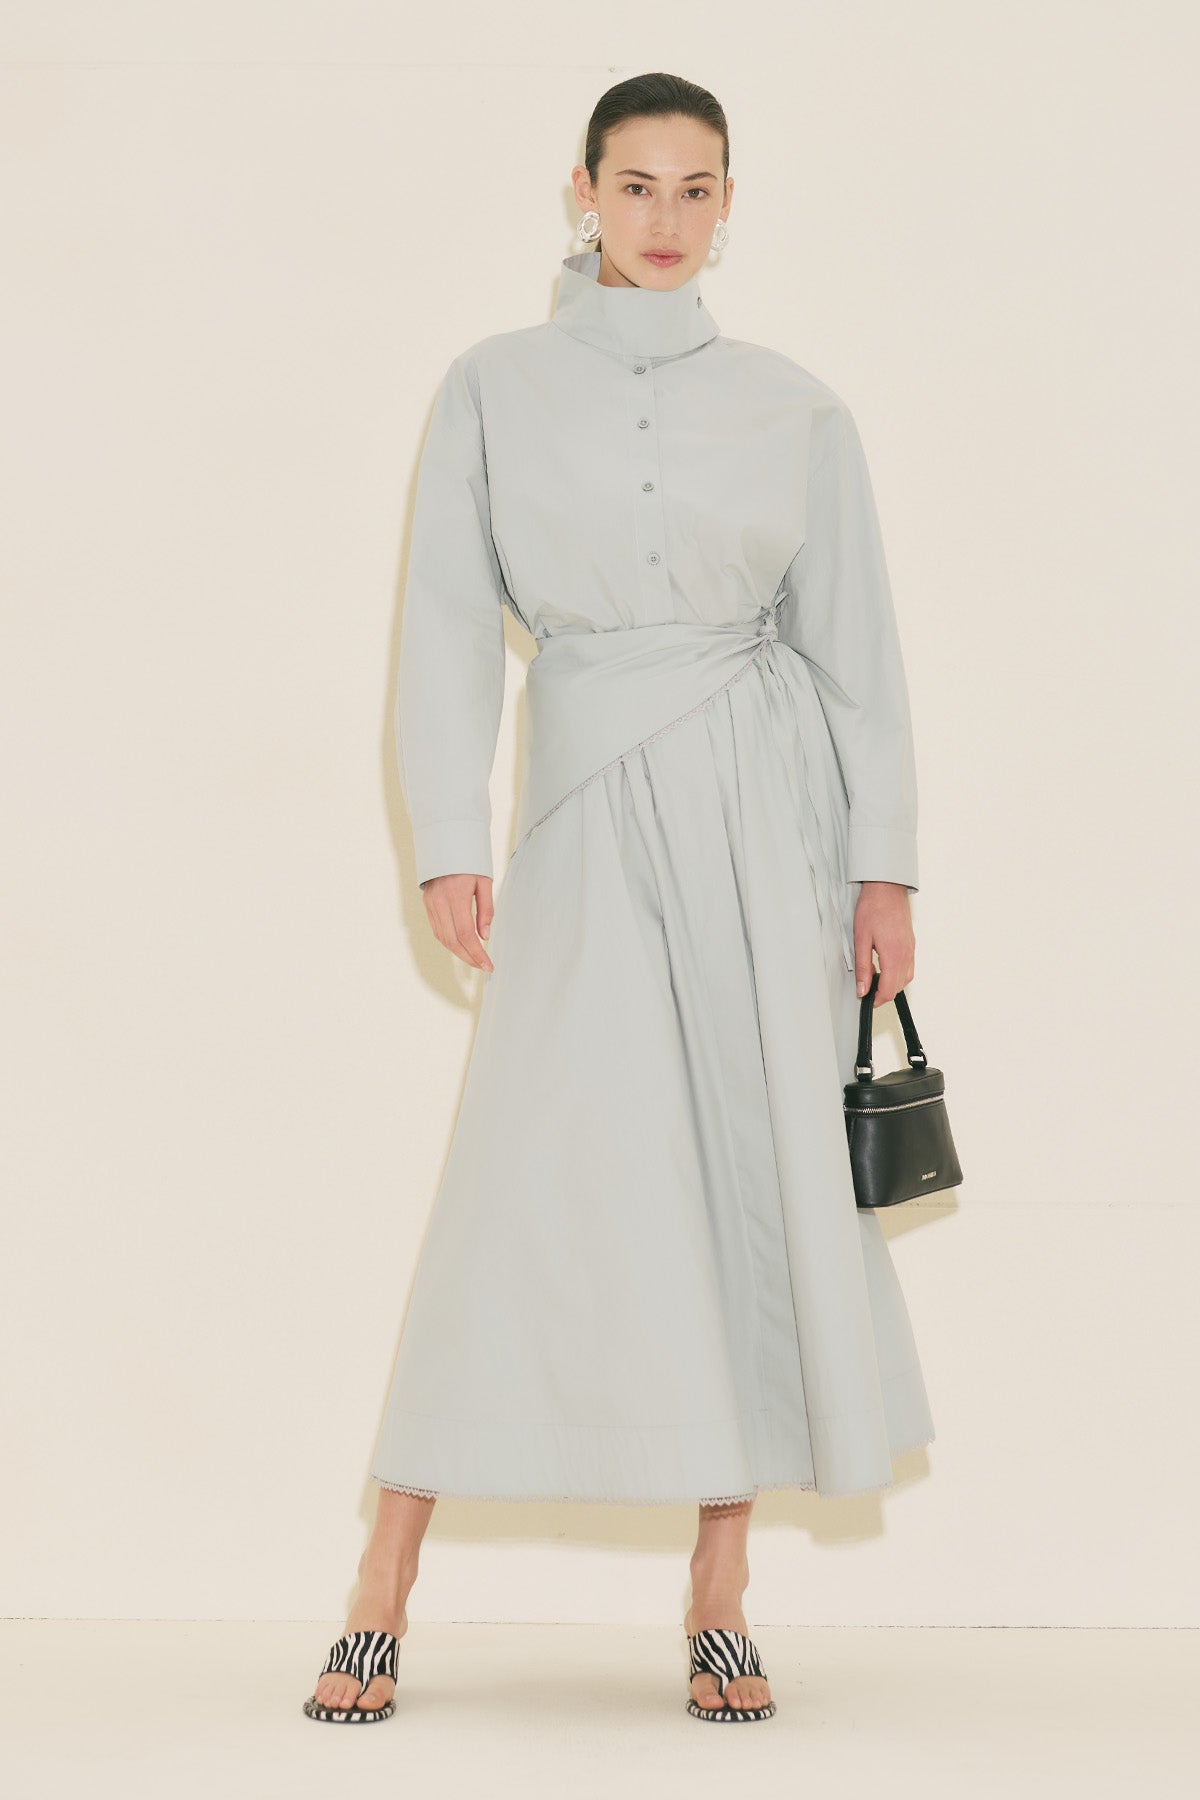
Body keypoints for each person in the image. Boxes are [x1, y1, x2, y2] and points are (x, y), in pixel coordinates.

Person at [303, 70, 935, 1729]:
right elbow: (450, 620)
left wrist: (880, 867)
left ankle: (721, 1586)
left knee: (750, 1176)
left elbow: (857, 654)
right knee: (520, 1177)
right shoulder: (492, 388)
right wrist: (450, 832)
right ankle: (383, 1575)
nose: (666, 219)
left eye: (696, 188)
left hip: (765, 813)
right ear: (580, 190)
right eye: (636, 185)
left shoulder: (797, 408)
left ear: (732, 204)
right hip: (582, 806)